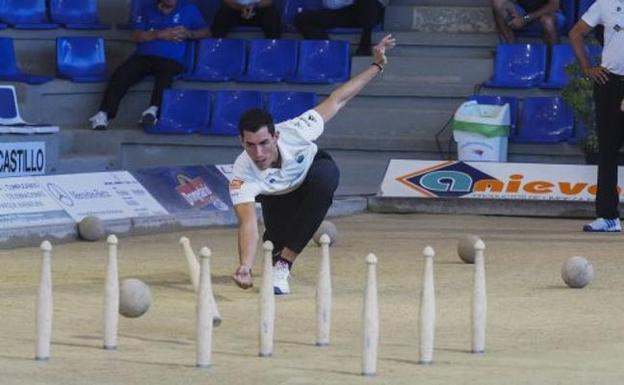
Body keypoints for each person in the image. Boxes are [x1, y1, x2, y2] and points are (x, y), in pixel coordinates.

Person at [230, 34, 396, 295]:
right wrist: (245, 265)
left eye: (264, 143)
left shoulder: (296, 130)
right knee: (275, 241)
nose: (258, 152)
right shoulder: (241, 172)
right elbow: (248, 221)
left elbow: (338, 99)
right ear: (241, 141)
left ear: (276, 136)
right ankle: (278, 251)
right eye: (250, 145)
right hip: (278, 196)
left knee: (325, 178)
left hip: (311, 173)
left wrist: (377, 65)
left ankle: (284, 264)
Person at [89, 0, 209, 130]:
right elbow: (135, 36)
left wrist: (189, 33)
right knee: (122, 73)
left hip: (171, 59)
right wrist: (159, 34)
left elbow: (206, 32)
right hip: (144, 56)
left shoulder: (189, 9)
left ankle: (153, 111)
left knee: (166, 75)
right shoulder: (146, 9)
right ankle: (103, 114)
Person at [569, 0, 624, 232]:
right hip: (608, 83)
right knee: (608, 151)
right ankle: (608, 216)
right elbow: (575, 33)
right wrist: (587, 67)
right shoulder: (605, 3)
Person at [295, 0, 387, 56]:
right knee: (302, 18)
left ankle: (365, 45)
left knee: (369, 3)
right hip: (344, 11)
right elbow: (330, 4)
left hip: (369, 11)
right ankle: (326, 50)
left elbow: (383, 2)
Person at [490, 0, 562, 45]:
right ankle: (510, 49)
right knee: (497, 3)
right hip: (523, 10)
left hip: (548, 12)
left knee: (547, 21)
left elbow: (553, 6)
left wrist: (525, 19)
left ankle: (552, 58)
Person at [211, 0, 281, 39]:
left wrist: (254, 6)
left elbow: (270, 1)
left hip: (259, 8)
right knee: (222, 15)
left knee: (272, 15)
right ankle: (218, 48)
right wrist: (241, 7)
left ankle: (273, 48)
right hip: (235, 8)